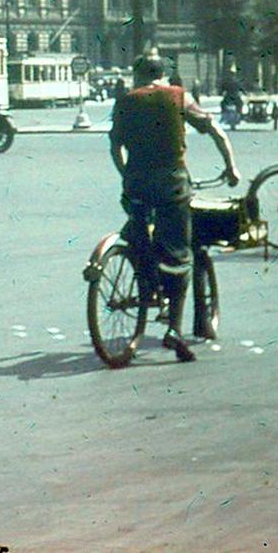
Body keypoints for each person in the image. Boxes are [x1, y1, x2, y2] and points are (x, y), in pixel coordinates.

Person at [109, 54, 240, 362]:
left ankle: (146, 278)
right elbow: (216, 132)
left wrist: (126, 174)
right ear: (164, 74)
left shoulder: (126, 101)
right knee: (180, 255)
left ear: (137, 74)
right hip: (172, 186)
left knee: (138, 231)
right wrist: (231, 168)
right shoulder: (178, 97)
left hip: (137, 186)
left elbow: (115, 146)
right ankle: (174, 330)